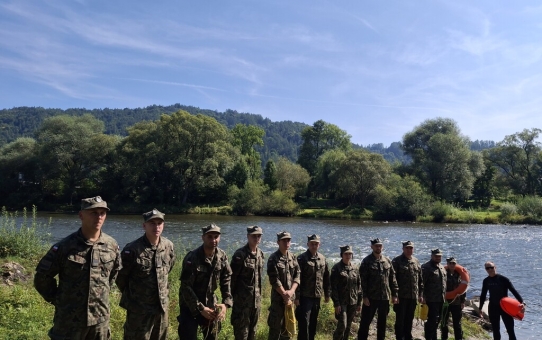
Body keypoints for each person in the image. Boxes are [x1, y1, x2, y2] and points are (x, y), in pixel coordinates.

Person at [34, 196, 121, 340]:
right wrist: (59, 300)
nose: (98, 217)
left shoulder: (111, 245)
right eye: (93, 213)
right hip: (69, 321)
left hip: (100, 321)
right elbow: (42, 277)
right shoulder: (65, 246)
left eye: (102, 213)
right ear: (81, 215)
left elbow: (114, 274)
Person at [116, 209, 176, 340]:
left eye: (159, 223)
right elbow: (121, 278)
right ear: (144, 226)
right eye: (152, 223)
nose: (156, 227)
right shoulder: (132, 249)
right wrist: (136, 296)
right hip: (139, 310)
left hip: (161, 308)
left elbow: (169, 268)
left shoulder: (168, 246)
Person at [177, 224, 233, 340]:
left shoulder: (222, 256)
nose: (213, 240)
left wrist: (225, 304)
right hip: (190, 305)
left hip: (210, 303)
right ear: (203, 237)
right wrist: (201, 309)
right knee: (188, 336)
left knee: (212, 336)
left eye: (216, 236)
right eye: (210, 237)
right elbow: (186, 287)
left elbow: (226, 281)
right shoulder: (192, 258)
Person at [358, 238, 399, 340]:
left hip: (384, 297)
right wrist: (364, 296)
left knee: (382, 323)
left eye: (380, 246)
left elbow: (392, 279)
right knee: (365, 322)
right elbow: (362, 281)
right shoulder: (366, 261)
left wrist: (395, 294)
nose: (378, 247)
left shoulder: (387, 260)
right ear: (372, 247)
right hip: (371, 298)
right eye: (376, 246)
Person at [230, 226, 265, 340]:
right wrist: (231, 299)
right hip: (242, 303)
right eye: (253, 236)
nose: (256, 238)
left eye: (258, 236)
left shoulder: (261, 254)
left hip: (256, 302)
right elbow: (232, 278)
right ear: (248, 236)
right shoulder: (240, 255)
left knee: (252, 333)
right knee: (241, 334)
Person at [295, 234, 331, 340]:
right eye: (312, 244)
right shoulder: (302, 259)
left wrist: (327, 294)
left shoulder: (322, 259)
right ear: (308, 244)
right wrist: (296, 297)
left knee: (313, 324)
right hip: (304, 297)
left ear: (319, 245)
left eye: (316, 244)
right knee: (304, 323)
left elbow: (326, 277)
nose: (314, 246)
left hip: (317, 296)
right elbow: (296, 278)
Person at [267, 231, 301, 340]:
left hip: (290, 300)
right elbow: (274, 279)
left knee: (288, 329)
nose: (287, 242)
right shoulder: (273, 258)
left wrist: (291, 292)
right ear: (278, 242)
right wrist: (284, 295)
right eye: (284, 240)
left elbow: (298, 275)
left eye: (288, 240)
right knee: (275, 330)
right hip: (278, 301)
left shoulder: (293, 257)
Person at [478, 261, 525, 340]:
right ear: (485, 269)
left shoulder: (503, 279)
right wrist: (480, 308)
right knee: (496, 331)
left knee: (510, 331)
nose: (490, 270)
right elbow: (483, 295)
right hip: (493, 307)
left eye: (491, 267)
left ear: (495, 267)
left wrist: (522, 302)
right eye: (487, 268)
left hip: (505, 308)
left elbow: (514, 291)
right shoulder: (486, 281)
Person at [392, 241, 424, 340]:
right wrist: (394, 295)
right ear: (403, 249)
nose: (409, 250)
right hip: (401, 297)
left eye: (411, 248)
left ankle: (408, 336)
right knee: (400, 320)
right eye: (407, 248)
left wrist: (421, 294)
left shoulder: (416, 261)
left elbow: (420, 280)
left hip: (413, 296)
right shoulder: (396, 261)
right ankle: (399, 337)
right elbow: (393, 280)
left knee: (409, 319)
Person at [330, 245, 362, 340]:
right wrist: (336, 303)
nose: (348, 256)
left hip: (353, 301)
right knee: (342, 325)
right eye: (346, 254)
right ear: (342, 255)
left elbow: (359, 286)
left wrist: (359, 302)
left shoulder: (355, 268)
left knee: (348, 326)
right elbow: (333, 288)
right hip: (341, 302)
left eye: (350, 254)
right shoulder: (337, 268)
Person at [421, 248, 447, 340]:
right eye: (436, 256)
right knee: (431, 322)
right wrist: (422, 296)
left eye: (439, 256)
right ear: (432, 256)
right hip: (431, 300)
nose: (438, 258)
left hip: (440, 299)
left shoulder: (442, 267)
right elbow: (421, 283)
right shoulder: (426, 267)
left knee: (437, 321)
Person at [441, 257, 465, 340]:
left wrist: (462, 301)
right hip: (445, 302)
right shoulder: (443, 273)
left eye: (453, 263)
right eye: (450, 263)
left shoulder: (459, 274)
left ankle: (458, 338)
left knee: (457, 323)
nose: (452, 265)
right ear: (447, 264)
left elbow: (463, 289)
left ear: (456, 264)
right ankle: (444, 338)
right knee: (444, 323)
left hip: (456, 303)